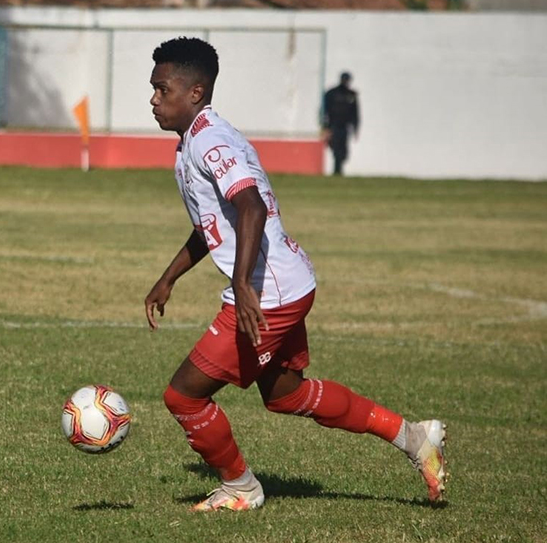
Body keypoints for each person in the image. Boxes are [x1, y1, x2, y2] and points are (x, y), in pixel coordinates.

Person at [144, 37, 446, 512]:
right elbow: (214, 223)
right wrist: (170, 277)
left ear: (196, 92)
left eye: (163, 89)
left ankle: (240, 487)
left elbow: (250, 206)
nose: (154, 99)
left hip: (268, 294)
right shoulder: (195, 140)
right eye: (154, 89)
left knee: (183, 397)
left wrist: (242, 284)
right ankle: (413, 437)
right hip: (287, 283)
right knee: (286, 395)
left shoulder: (210, 140)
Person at [323, 72, 360, 176]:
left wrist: (356, 128)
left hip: (345, 126)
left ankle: (338, 170)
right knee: (336, 149)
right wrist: (325, 127)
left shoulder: (351, 95)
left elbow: (355, 113)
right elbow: (325, 111)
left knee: (343, 151)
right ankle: (337, 171)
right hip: (333, 126)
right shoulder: (332, 93)